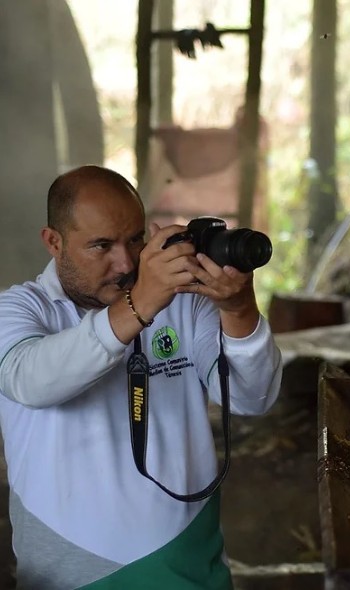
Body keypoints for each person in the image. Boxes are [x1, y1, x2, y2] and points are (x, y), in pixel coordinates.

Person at [0, 165, 282, 589]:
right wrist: (140, 304)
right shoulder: (20, 309)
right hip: (69, 579)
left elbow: (252, 397)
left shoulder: (183, 303)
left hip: (187, 573)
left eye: (135, 239)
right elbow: (30, 380)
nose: (126, 262)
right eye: (101, 246)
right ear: (53, 241)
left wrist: (239, 308)